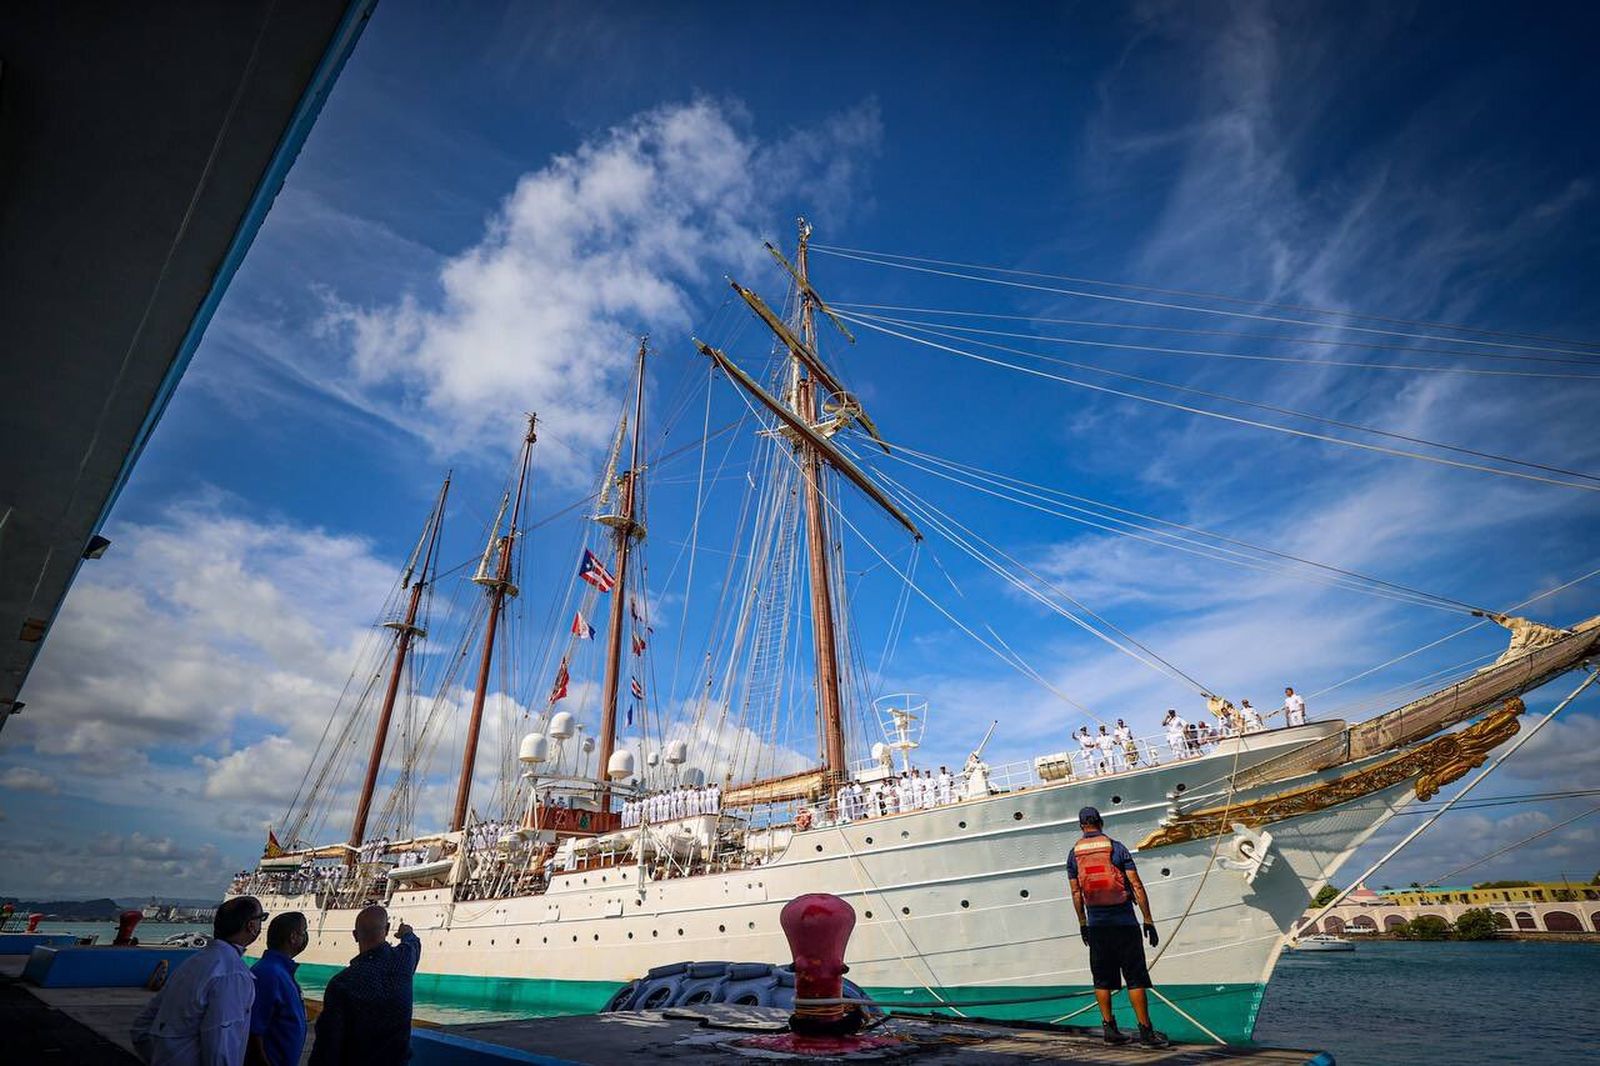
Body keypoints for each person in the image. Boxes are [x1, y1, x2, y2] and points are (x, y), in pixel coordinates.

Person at [1066, 807, 1169, 1049]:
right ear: (1100, 822)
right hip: (1124, 923)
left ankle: (1110, 1030)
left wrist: (1083, 923)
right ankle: (1145, 1032)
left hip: (1097, 926)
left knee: (1101, 980)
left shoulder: (1074, 855)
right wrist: (1148, 919)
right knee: (1135, 979)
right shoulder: (1117, 848)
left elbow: (1075, 892)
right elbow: (1136, 884)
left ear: (1082, 826)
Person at [132, 896, 263, 1066]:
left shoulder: (192, 963)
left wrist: (162, 1057)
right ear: (251, 926)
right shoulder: (232, 975)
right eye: (262, 918)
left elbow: (142, 1026)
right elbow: (221, 1048)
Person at [308, 906, 422, 1065]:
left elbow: (328, 1044)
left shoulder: (342, 983)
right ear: (387, 929)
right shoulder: (403, 961)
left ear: (355, 935)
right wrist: (407, 932)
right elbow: (413, 944)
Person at [246, 913, 308, 1066]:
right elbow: (254, 1029)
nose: (305, 937)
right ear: (293, 937)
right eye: (303, 932)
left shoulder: (280, 971)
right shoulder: (270, 973)